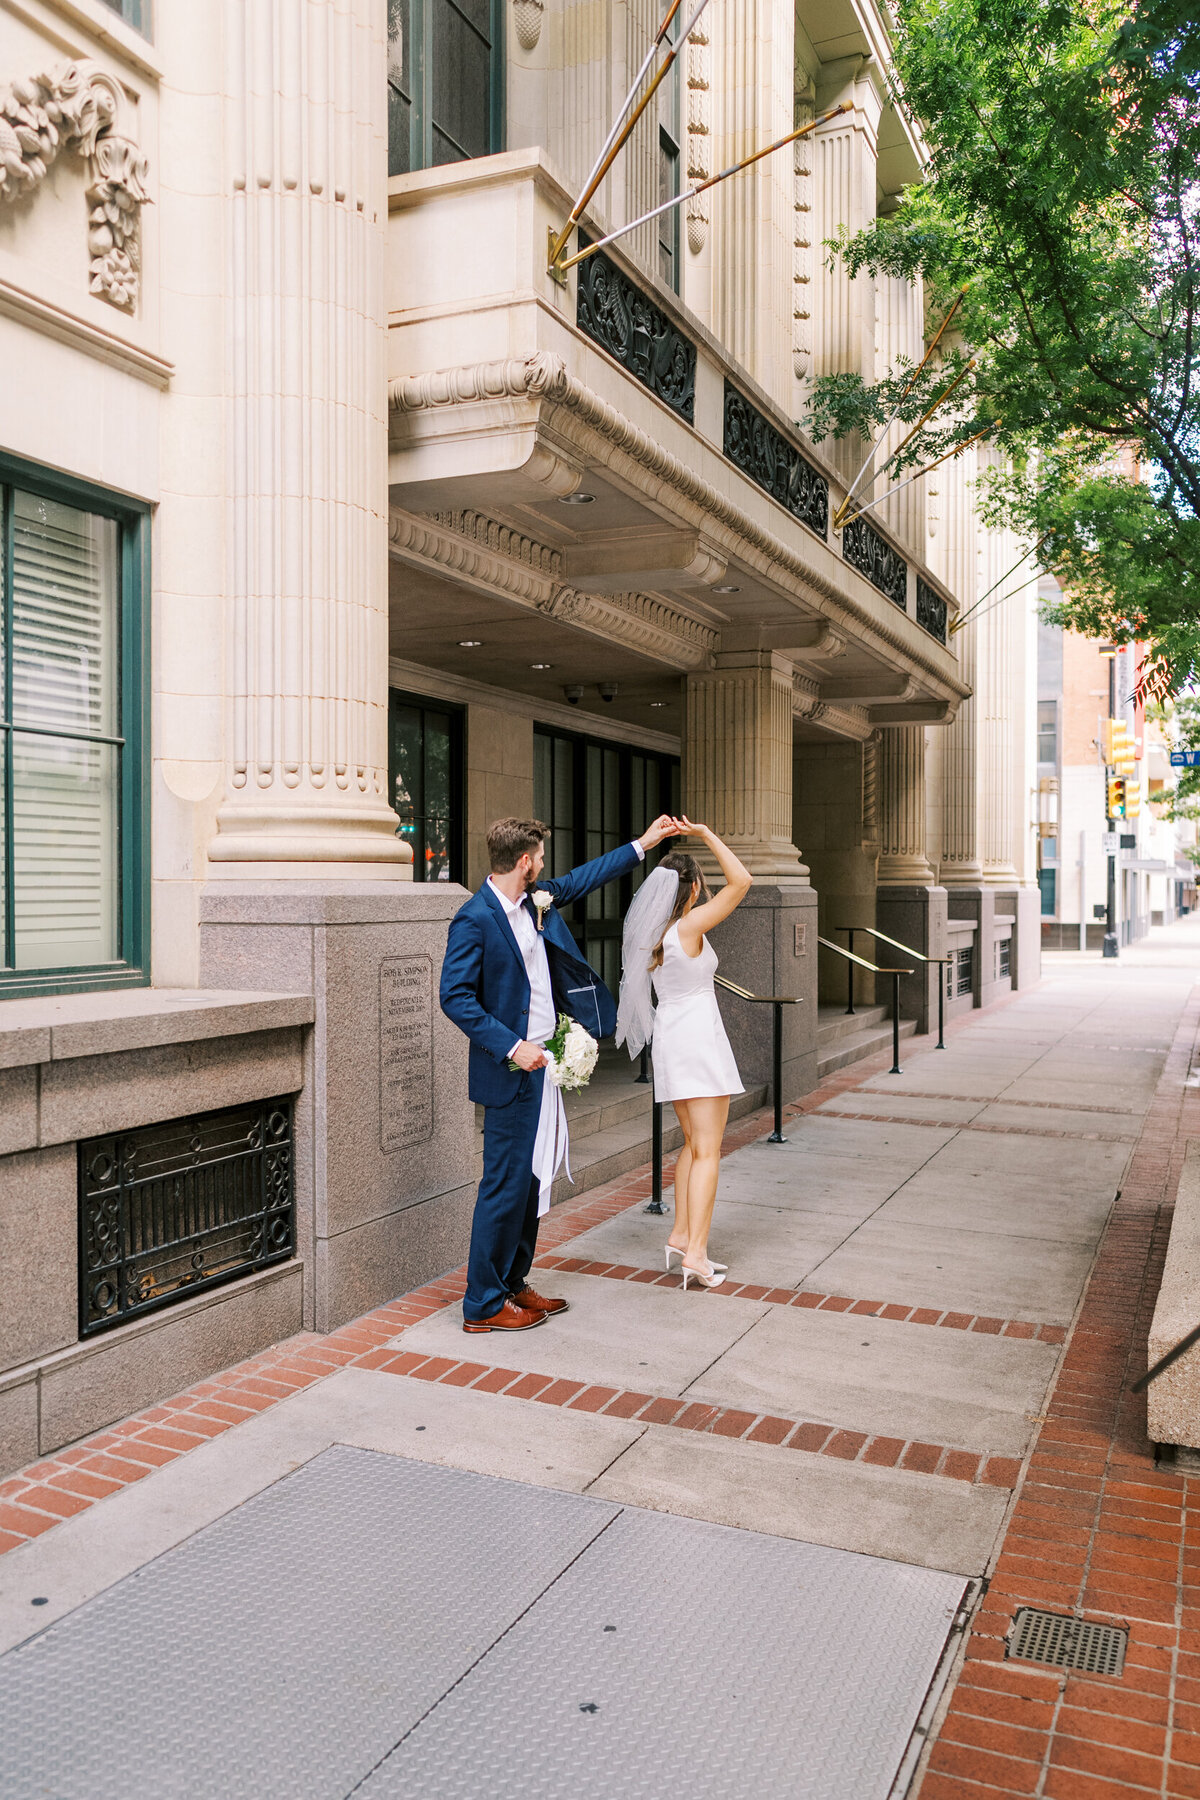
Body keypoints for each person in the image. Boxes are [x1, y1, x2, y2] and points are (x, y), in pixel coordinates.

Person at [440, 812, 682, 1332]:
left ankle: (512, 1281)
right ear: (524, 862)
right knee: (504, 1186)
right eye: (541, 858)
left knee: (530, 1182)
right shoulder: (474, 918)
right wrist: (512, 1047)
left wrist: (642, 844)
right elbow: (454, 997)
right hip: (511, 1073)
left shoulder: (535, 900)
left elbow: (583, 878)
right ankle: (482, 1302)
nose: (546, 866)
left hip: (545, 1067)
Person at [616, 818, 752, 1290]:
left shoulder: (654, 935)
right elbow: (743, 882)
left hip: (673, 1037)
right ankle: (696, 1253)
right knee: (710, 1150)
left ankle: (679, 1235)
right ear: (692, 888)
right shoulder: (689, 926)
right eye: (700, 884)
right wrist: (708, 834)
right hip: (698, 1038)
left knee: (694, 1145)